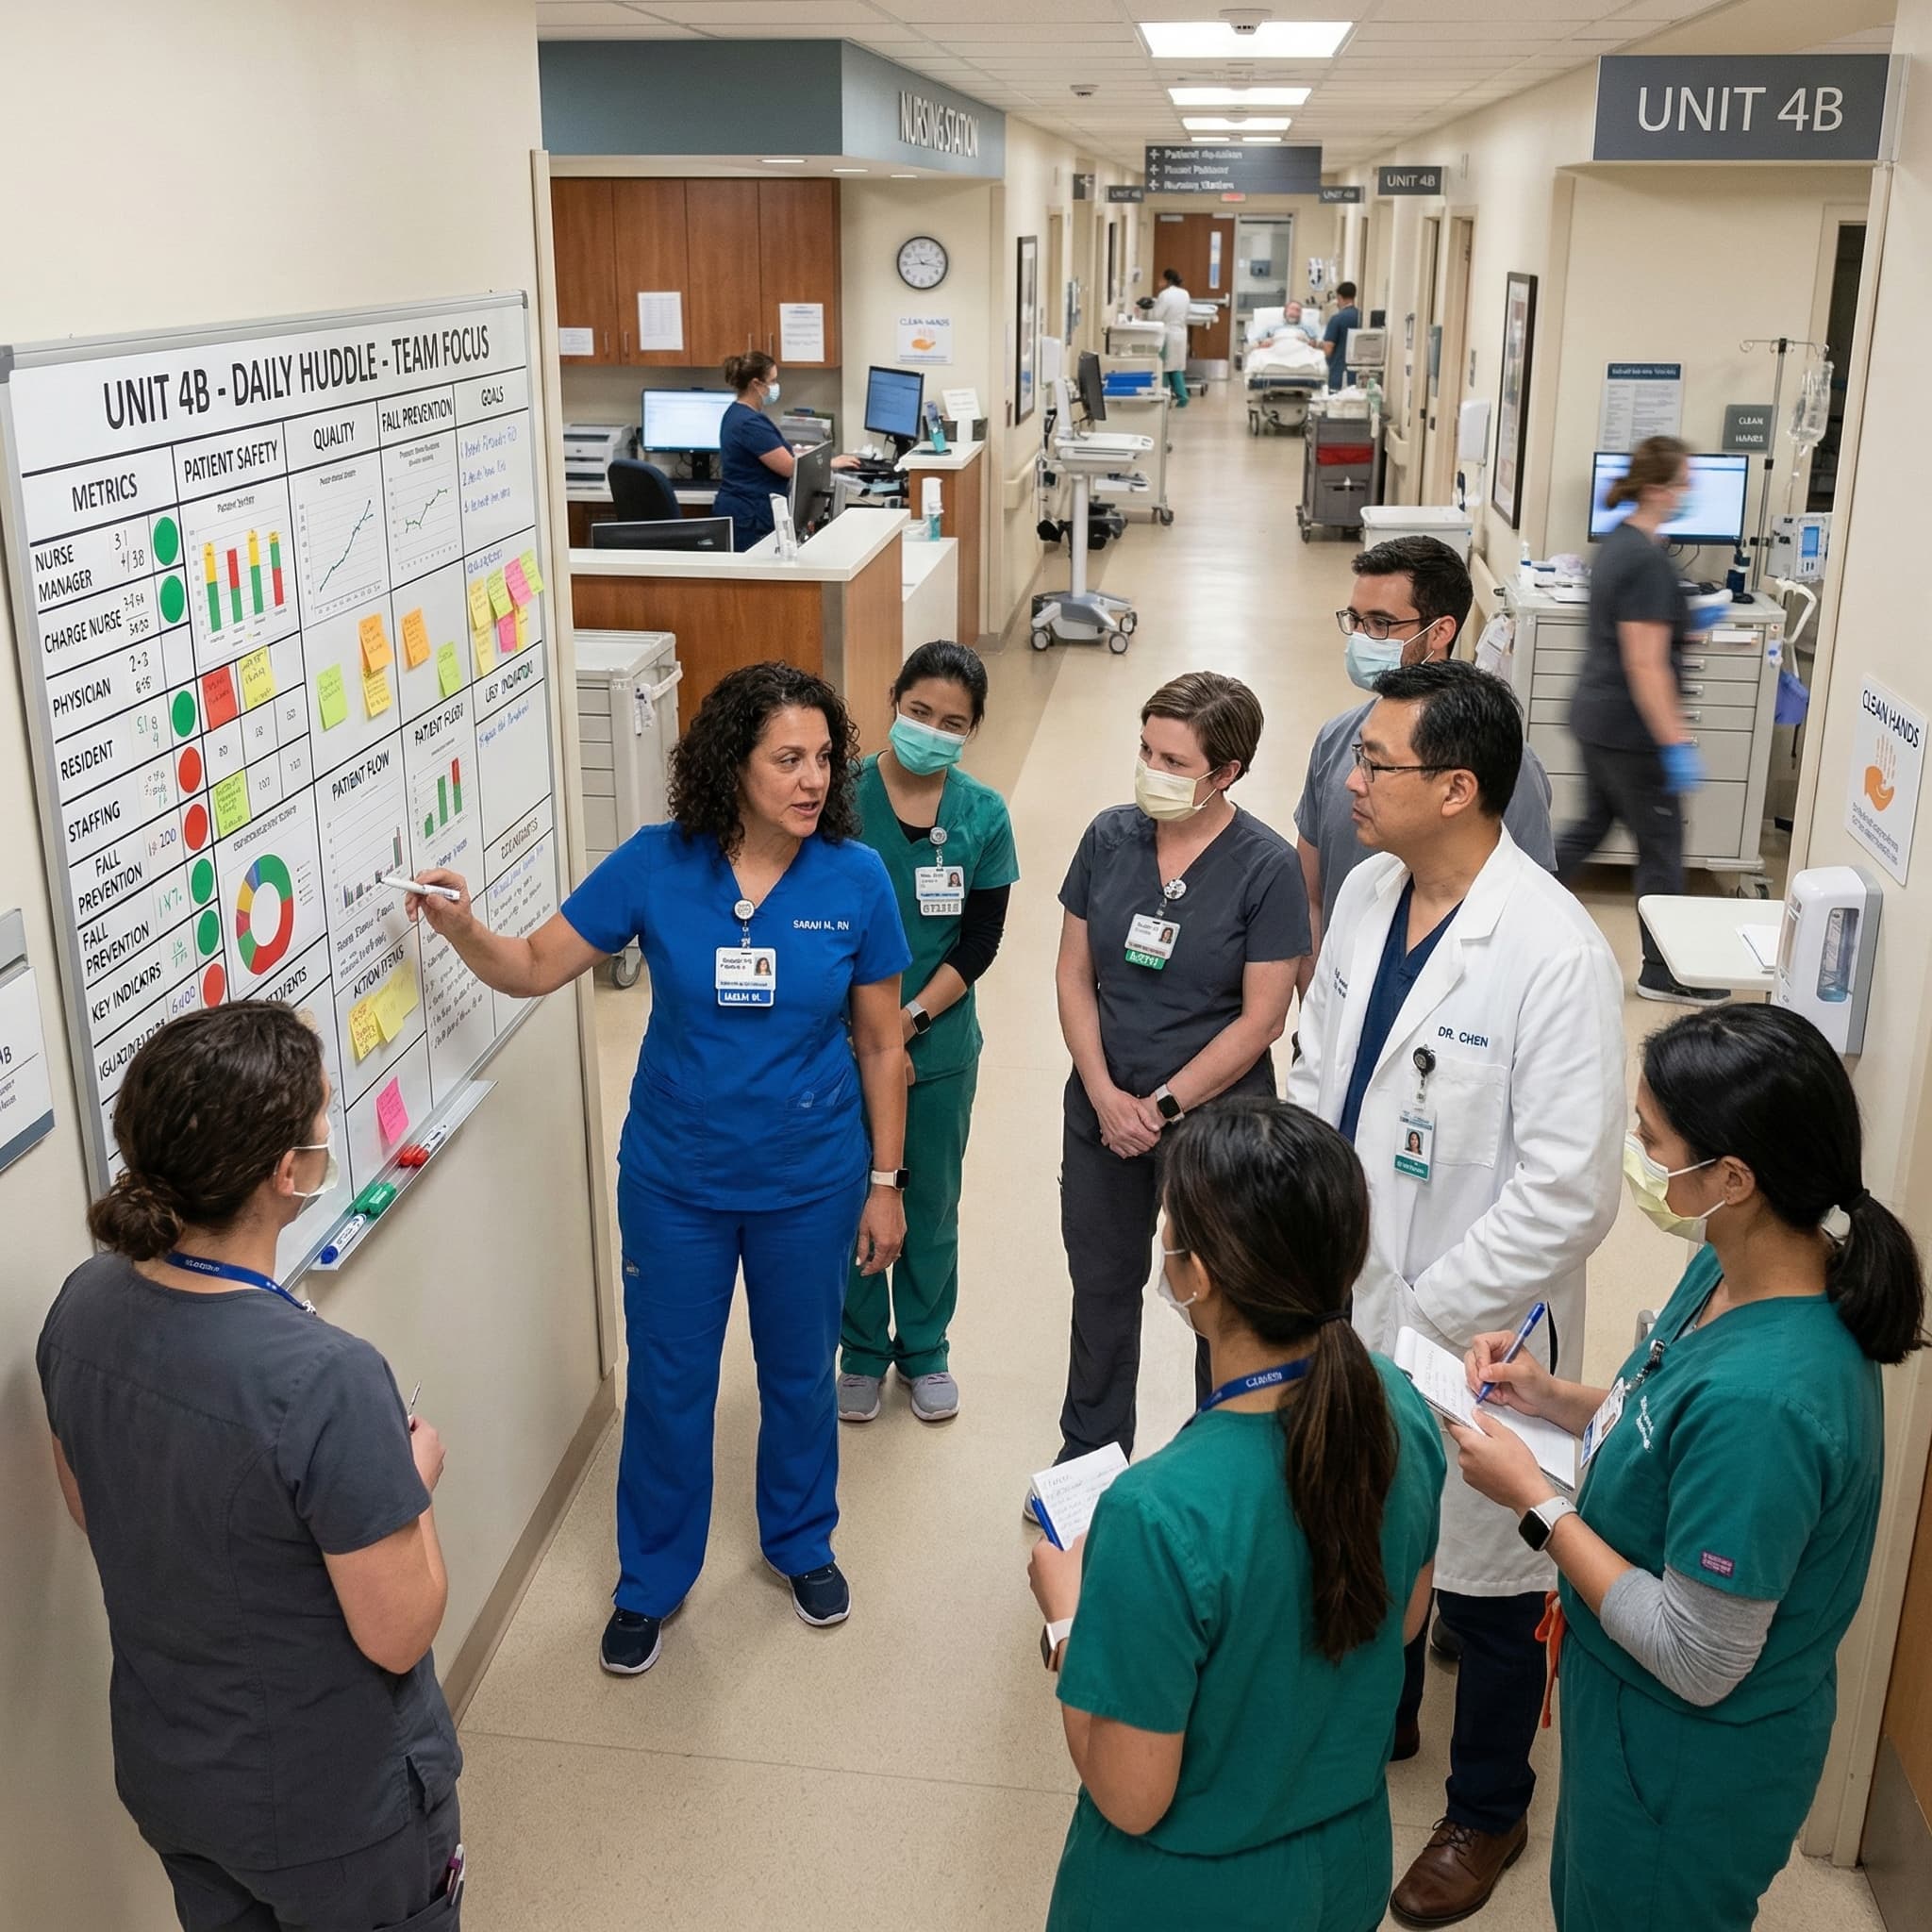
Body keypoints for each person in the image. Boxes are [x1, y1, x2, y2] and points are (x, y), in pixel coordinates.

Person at [408, 661, 910, 1673]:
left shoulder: (854, 878)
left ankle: (800, 1540)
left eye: (823, 758)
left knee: (798, 1374)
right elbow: (533, 966)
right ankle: (650, 1580)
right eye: (787, 759)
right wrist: (461, 927)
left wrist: (885, 1182)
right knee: (670, 1383)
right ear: (732, 764)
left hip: (809, 1177)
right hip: (676, 1178)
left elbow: (880, 1044)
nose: (813, 779)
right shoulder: (654, 864)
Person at [1448, 1002, 1925, 1932]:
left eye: (1650, 1138)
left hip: (1681, 1754)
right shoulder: (1731, 1266)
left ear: (1732, 1175)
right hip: (1622, 1709)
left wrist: (1536, 1503)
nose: (1637, 1152)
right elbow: (1661, 1414)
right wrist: (1549, 1396)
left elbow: (1695, 1653)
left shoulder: (1769, 1402)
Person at [1287, 659, 1624, 1925]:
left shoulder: (1551, 953)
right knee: (1360, 1520)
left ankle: (1486, 1805)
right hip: (1347, 1285)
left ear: (1460, 787)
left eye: (1375, 763)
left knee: (1493, 1571)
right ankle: (1381, 1711)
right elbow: (1324, 1072)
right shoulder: (1374, 893)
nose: (1350, 780)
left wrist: (1421, 1306)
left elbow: (1570, 1193)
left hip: (1481, 1327)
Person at [37, 1004, 462, 1932]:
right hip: (333, 1813)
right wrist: (409, 1480)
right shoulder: (328, 1377)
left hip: (178, 1780)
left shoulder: (83, 1304)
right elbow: (399, 1630)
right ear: (287, 1171)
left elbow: (90, 1503)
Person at [1027, 1098, 1444, 1930]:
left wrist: (1069, 1618)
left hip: (1191, 1898)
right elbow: (1405, 1621)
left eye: (1170, 1230)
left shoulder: (1156, 1515)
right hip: (1345, 1864)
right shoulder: (1397, 1408)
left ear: (1197, 1275)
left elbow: (1130, 1794)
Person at [1055, 672, 1307, 1461]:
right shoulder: (1108, 838)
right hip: (1101, 1106)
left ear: (1226, 772)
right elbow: (1073, 973)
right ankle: (1089, 1456)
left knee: (1222, 1299)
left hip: (1216, 1122)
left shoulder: (1265, 868)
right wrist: (1104, 1094)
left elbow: (1265, 1016)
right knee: (1100, 1286)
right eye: (1145, 750)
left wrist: (1160, 1108)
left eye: (1173, 760)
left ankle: (1216, 1466)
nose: (1150, 771)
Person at [839, 641, 1020, 1426]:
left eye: (953, 722)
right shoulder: (840, 803)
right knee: (851, 1196)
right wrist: (866, 1032)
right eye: (919, 712)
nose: (932, 730)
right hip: (841, 1045)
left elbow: (979, 943)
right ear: (893, 700)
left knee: (931, 1201)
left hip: (938, 1044)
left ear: (972, 731)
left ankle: (923, 1347)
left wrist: (907, 1023)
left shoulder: (982, 815)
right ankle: (859, 1350)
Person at [1296, 536, 1556, 996]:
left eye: (1381, 623)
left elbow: (1531, 916)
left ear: (1439, 632)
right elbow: (1311, 899)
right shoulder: (1335, 741)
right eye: (1354, 620)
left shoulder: (1507, 768)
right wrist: (1318, 1011)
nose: (1361, 638)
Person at [1555, 433, 1724, 1005]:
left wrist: (1686, 617)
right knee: (1661, 849)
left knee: (1589, 830)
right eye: (1682, 484)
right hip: (1631, 732)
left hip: (1598, 719)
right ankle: (1663, 969)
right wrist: (1675, 741)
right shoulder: (1647, 561)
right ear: (1658, 488)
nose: (1688, 493)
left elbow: (1638, 632)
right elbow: (1647, 664)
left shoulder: (1621, 544)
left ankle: (1503, 905)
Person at [710, 350, 857, 552]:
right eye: (772, 381)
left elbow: (776, 452)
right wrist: (830, 462)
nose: (775, 387)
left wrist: (810, 455)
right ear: (756, 384)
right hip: (749, 517)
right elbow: (788, 467)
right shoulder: (748, 423)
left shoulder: (741, 414)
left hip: (749, 510)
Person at [1150, 268, 1191, 408]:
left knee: (1164, 366)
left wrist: (1150, 309)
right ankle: (1182, 396)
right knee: (1176, 367)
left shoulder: (1165, 295)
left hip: (1168, 334)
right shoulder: (1185, 294)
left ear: (1167, 280)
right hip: (1181, 332)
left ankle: (1165, 397)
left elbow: (1156, 316)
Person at [1323, 279, 1362, 390]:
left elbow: (1328, 350)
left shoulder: (1337, 319)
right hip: (1358, 376)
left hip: (1339, 376)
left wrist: (1318, 345)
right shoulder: (1361, 317)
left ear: (1339, 297)